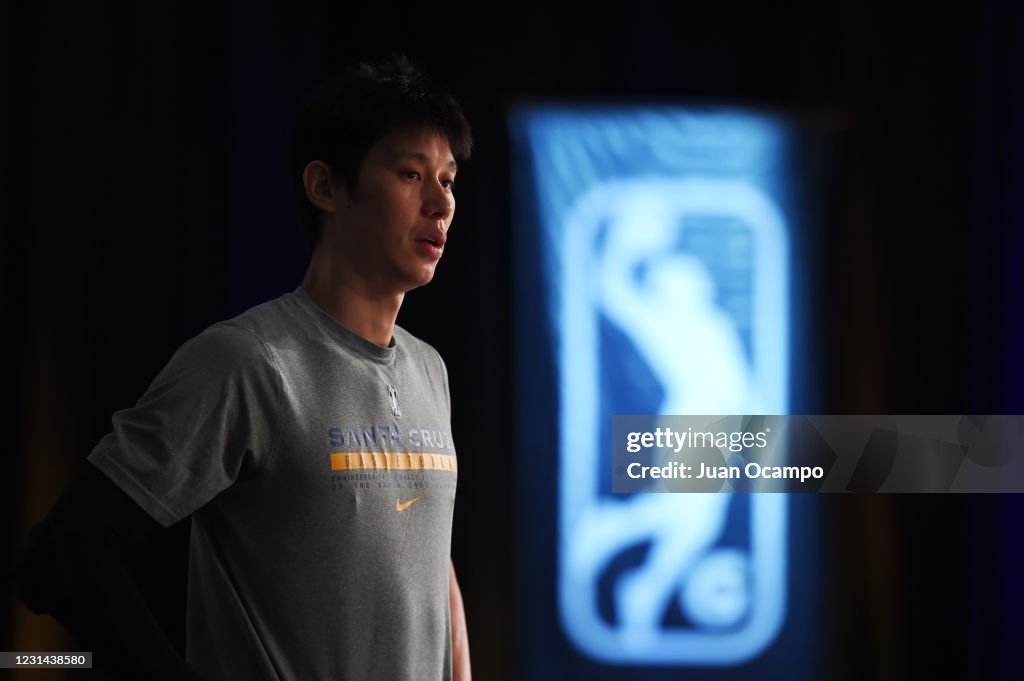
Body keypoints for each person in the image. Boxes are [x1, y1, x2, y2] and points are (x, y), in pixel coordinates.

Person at [14, 53, 473, 681]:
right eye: (410, 174)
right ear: (325, 187)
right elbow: (64, 556)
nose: (440, 204)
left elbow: (427, 551)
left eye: (448, 180)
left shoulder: (431, 370)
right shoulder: (248, 363)